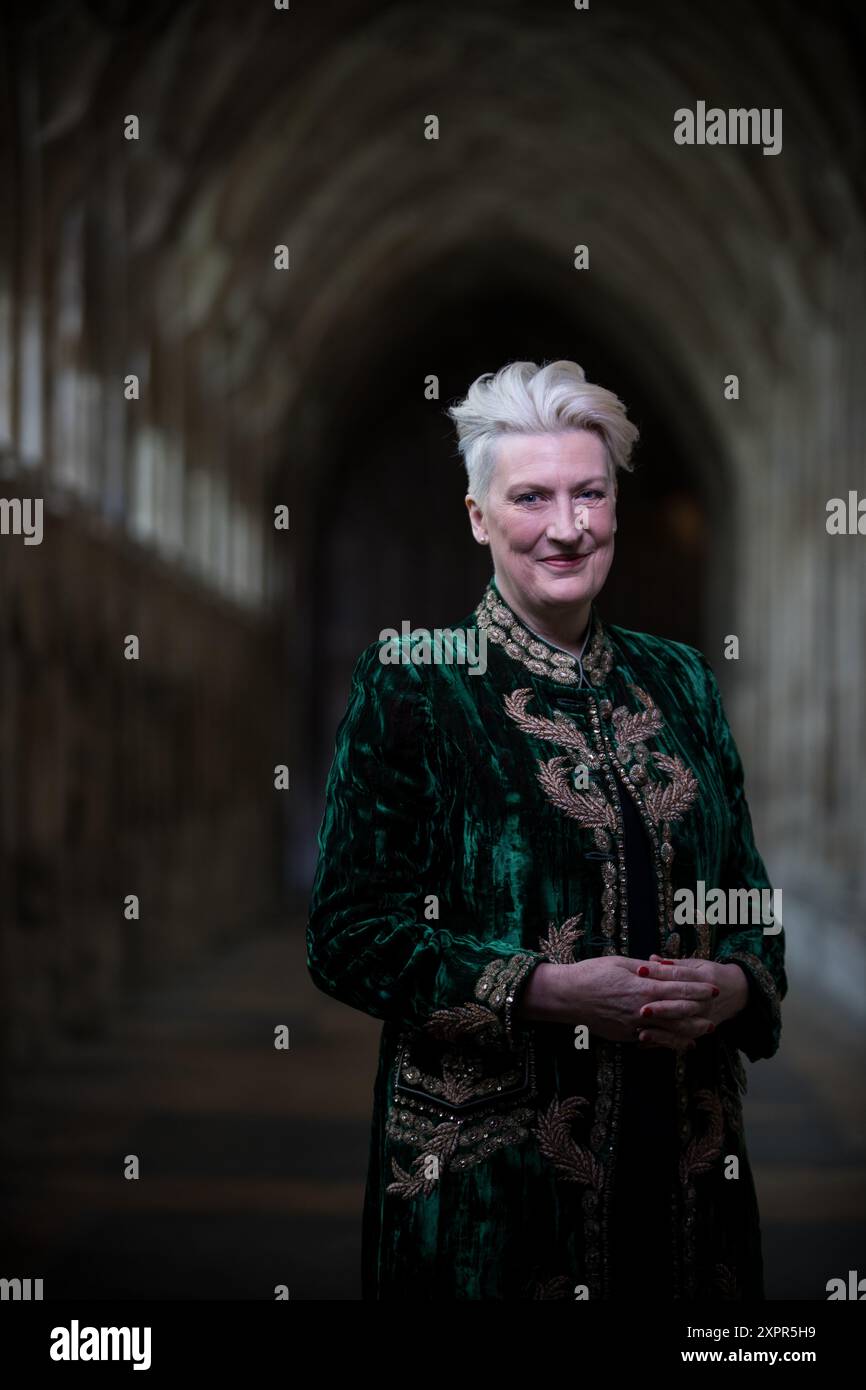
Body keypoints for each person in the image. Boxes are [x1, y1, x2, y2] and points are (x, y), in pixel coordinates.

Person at [306, 359, 787, 1301]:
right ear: (480, 516)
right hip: (493, 1182)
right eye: (531, 497)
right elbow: (350, 934)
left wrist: (735, 981)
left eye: (589, 494)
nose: (566, 528)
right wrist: (549, 989)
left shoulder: (681, 680)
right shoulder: (412, 681)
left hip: (687, 1162)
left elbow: (745, 896)